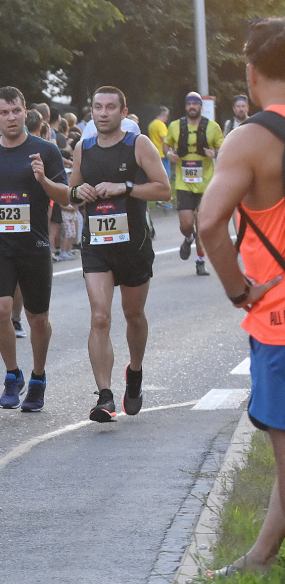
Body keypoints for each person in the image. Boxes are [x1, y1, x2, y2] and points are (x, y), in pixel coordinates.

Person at [198, 18, 285, 577]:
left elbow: (209, 224)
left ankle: (258, 558)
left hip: (278, 318)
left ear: (250, 72)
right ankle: (259, 556)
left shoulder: (251, 138)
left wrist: (237, 290)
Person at [67, 86, 170, 422]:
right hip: (96, 246)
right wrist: (77, 191)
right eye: (98, 107)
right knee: (99, 316)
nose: (103, 113)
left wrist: (125, 188)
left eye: (111, 107)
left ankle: (135, 372)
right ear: (91, 111)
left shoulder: (138, 144)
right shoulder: (83, 148)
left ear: (123, 112)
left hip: (134, 246)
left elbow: (164, 189)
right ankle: (105, 396)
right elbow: (72, 195)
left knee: (133, 316)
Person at [0, 86, 69, 412]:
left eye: (16, 111)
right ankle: (13, 374)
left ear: (25, 112)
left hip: (35, 244)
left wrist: (44, 181)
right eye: (4, 112)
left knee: (37, 318)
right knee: (0, 310)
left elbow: (67, 198)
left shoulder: (46, 150)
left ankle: (38, 378)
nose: (11, 117)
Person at [164, 91, 224, 276]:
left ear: (200, 106)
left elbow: (224, 147)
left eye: (195, 104)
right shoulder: (175, 126)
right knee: (186, 224)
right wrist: (168, 154)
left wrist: (215, 152)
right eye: (189, 103)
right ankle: (188, 238)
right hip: (184, 183)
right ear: (185, 106)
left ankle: (200, 261)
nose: (192, 107)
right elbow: (167, 144)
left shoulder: (212, 127)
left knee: (201, 224)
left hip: (206, 183)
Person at [147, 106, 170, 183]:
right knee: (166, 179)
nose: (167, 117)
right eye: (167, 115)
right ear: (163, 115)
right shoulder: (161, 125)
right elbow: (166, 140)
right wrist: (170, 152)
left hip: (154, 154)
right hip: (163, 155)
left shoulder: (151, 124)